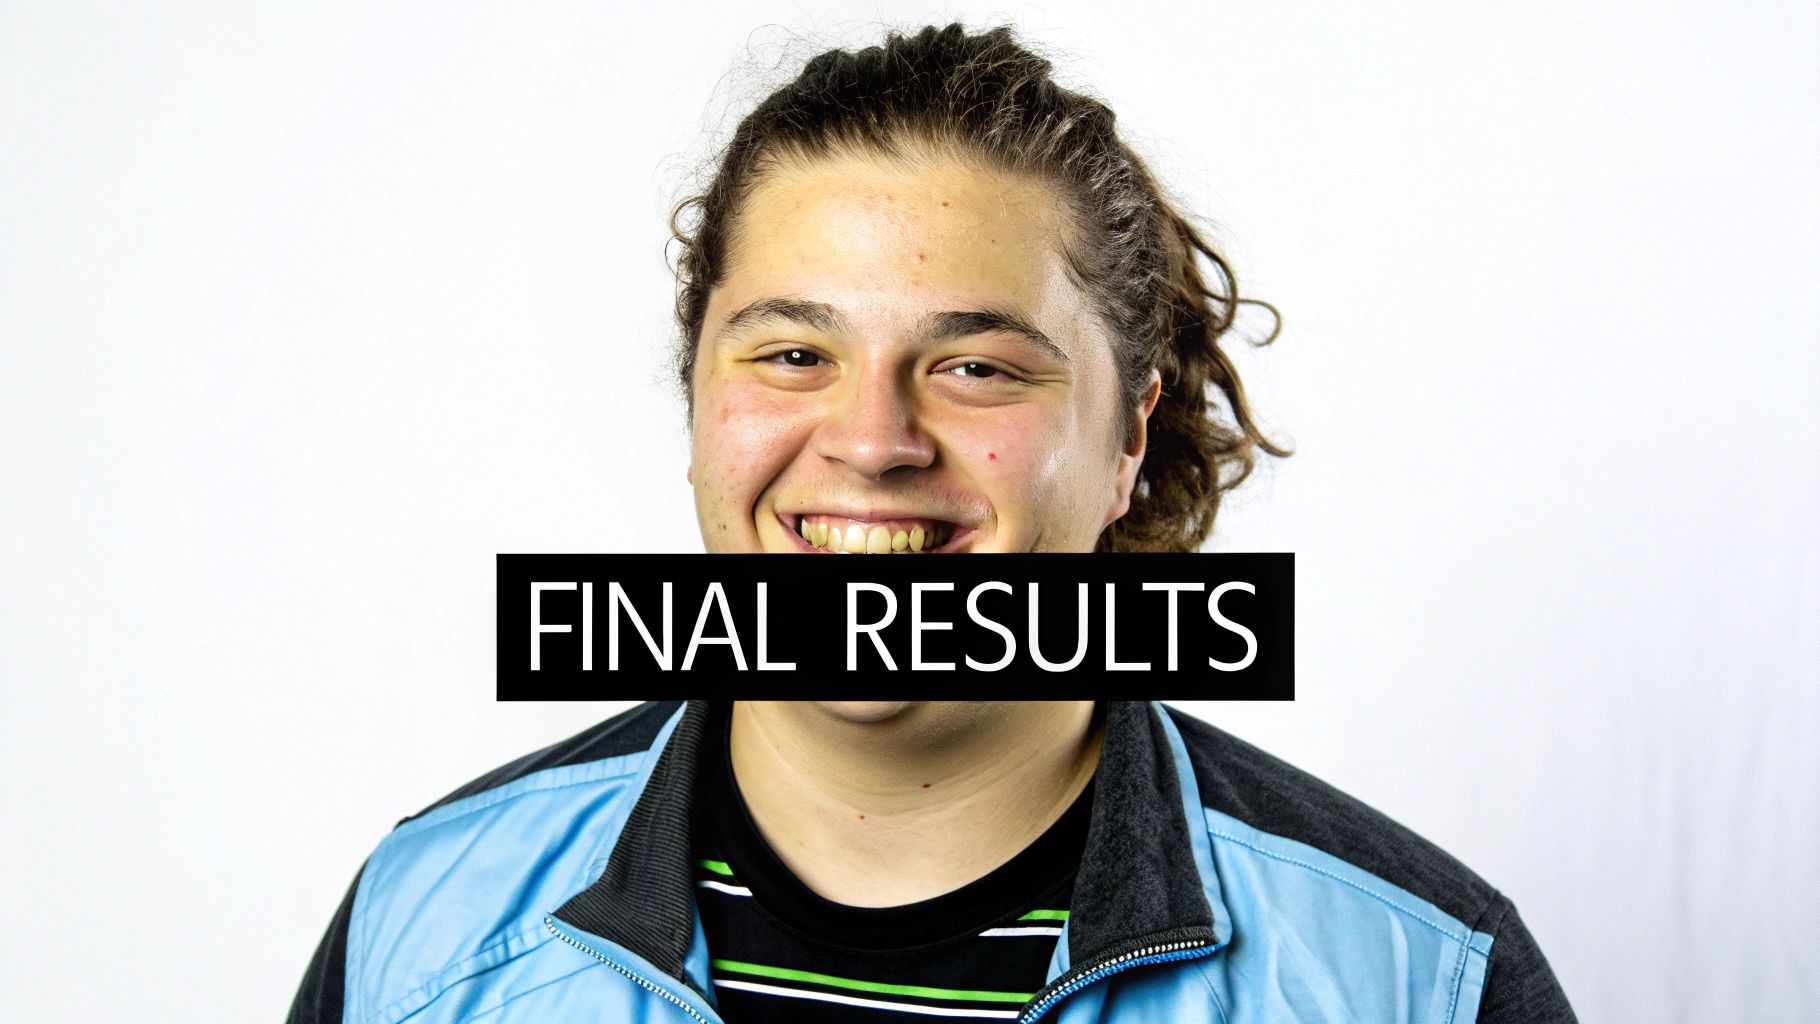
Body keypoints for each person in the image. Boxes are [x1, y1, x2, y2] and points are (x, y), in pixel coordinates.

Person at [288, 24, 1576, 1023]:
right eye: (792, 353)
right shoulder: (425, 929)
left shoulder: (1418, 978)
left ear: (1128, 434)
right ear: (698, 399)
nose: (873, 441)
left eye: (978, 367)